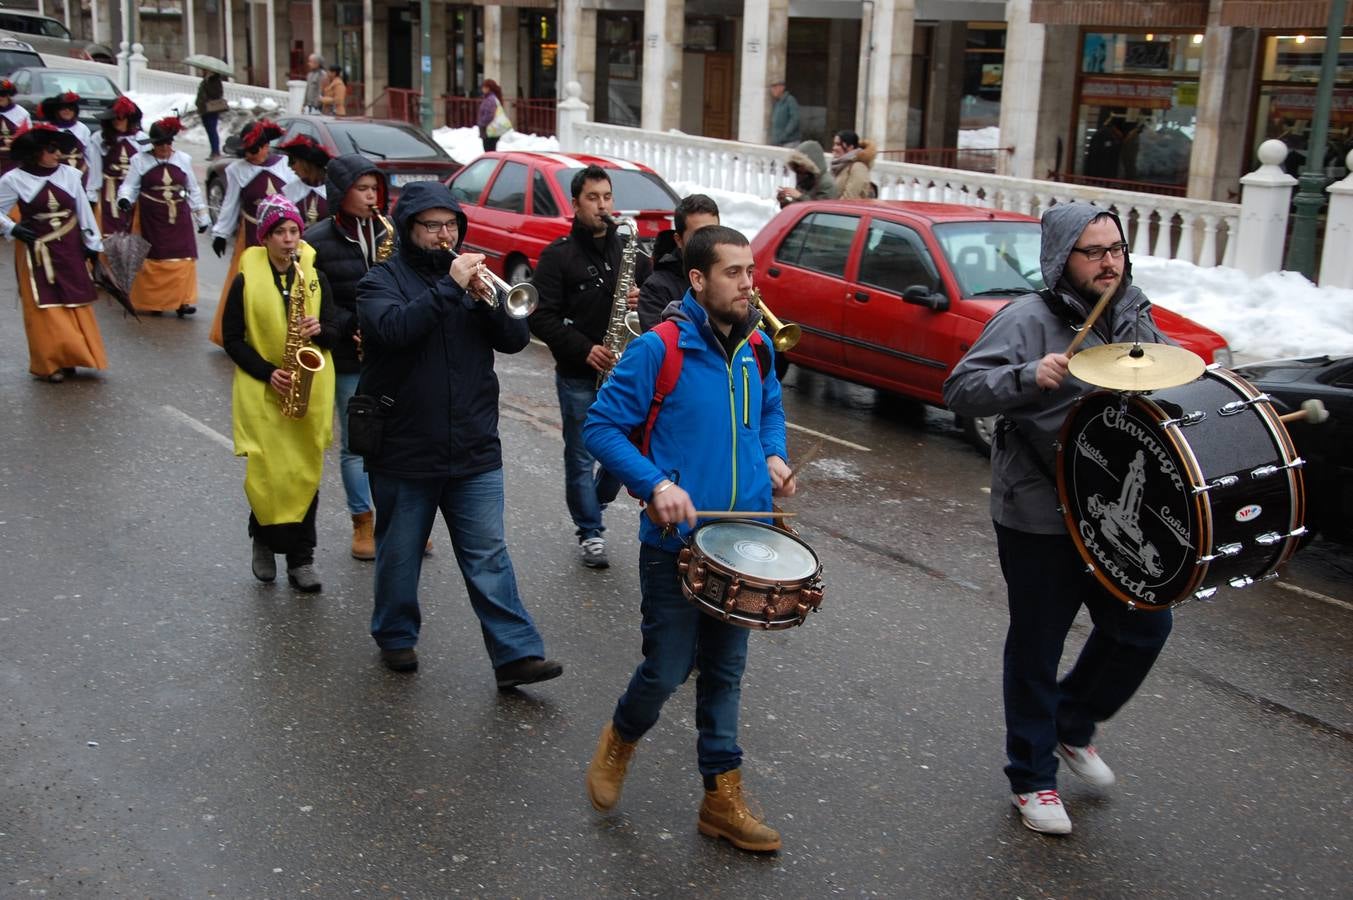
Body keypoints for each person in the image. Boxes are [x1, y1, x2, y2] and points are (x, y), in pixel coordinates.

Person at [942, 202, 1176, 836]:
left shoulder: (1134, 313)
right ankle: (1033, 776)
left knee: (1144, 627)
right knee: (1038, 644)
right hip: (1038, 508)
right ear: (1061, 259)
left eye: (1115, 250)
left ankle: (1071, 725)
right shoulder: (1027, 320)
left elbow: (1166, 382)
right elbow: (961, 389)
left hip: (1113, 511)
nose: (1109, 262)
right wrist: (1026, 375)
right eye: (1093, 252)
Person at [582, 224, 794, 853]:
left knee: (726, 674)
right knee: (670, 667)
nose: (748, 285)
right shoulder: (659, 348)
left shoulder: (758, 346)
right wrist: (654, 485)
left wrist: (774, 457)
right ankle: (621, 737)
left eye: (752, 272)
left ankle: (720, 800)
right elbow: (602, 428)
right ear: (699, 281)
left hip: (746, 540)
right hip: (678, 544)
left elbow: (772, 413)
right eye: (734, 273)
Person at [355, 180, 563, 687]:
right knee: (401, 553)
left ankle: (515, 653)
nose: (444, 235)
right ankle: (396, 635)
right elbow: (393, 331)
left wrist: (489, 300)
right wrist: (449, 287)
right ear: (409, 229)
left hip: (473, 446)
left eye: (451, 225)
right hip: (405, 448)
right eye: (432, 226)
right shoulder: (379, 281)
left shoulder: (474, 285)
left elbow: (514, 341)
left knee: (488, 554)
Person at [528, 165, 650, 569]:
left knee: (627, 448)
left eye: (607, 197)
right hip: (581, 372)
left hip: (622, 372)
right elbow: (540, 317)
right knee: (580, 456)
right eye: (593, 198)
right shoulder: (557, 256)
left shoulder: (628, 249)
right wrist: (584, 350)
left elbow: (653, 304)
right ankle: (590, 531)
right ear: (575, 204)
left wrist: (639, 300)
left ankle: (594, 499)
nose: (602, 206)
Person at [222, 194, 338, 593]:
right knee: (268, 475)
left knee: (305, 473)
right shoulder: (245, 280)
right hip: (263, 389)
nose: (290, 241)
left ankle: (302, 560)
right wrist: (269, 372)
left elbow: (338, 329)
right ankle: (264, 541)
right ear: (265, 238)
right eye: (280, 233)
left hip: (310, 390)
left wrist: (321, 329)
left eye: (294, 232)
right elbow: (232, 339)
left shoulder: (314, 277)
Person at [303, 153, 391, 560]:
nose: (372, 197)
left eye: (376, 189)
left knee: (397, 439)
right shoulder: (316, 240)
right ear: (341, 193)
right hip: (347, 354)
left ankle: (397, 519)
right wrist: (348, 323)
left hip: (393, 352)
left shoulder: (392, 234)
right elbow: (314, 300)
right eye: (363, 189)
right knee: (358, 442)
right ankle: (363, 522)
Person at [0, 123, 107, 382]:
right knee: (45, 305)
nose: (57, 154)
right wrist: (12, 228)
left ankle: (73, 356)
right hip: (36, 252)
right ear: (35, 152)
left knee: (74, 299)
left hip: (69, 247)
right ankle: (51, 363)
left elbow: (83, 209)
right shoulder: (13, 179)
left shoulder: (69, 174)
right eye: (51, 149)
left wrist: (93, 246)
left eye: (58, 149)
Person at [208, 119, 295, 346]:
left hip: (284, 235)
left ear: (266, 146)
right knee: (248, 282)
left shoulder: (285, 166)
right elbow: (230, 203)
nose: (250, 155)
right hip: (252, 234)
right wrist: (221, 233)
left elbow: (298, 198)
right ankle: (241, 331)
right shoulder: (237, 171)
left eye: (254, 149)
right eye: (246, 151)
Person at [117, 116, 211, 317]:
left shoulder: (183, 160)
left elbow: (192, 189)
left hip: (179, 216)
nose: (165, 147)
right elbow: (129, 185)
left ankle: (182, 301)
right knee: (154, 259)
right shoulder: (140, 161)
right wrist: (125, 199)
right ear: (153, 144)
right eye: (160, 143)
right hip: (152, 216)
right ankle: (155, 301)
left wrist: (202, 217)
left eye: (169, 142)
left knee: (183, 258)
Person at [636, 193, 718, 333]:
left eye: (714, 232)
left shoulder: (731, 276)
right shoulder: (655, 288)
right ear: (679, 240)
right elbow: (664, 346)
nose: (708, 242)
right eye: (699, 235)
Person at [36, 92, 100, 205]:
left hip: (81, 174)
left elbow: (90, 156)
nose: (67, 111)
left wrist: (91, 186)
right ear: (56, 110)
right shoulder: (49, 129)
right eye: (63, 108)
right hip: (57, 174)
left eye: (71, 108)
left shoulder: (82, 128)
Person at [97, 96, 147, 236]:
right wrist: (92, 198)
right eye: (113, 118)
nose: (116, 121)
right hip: (108, 191)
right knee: (109, 229)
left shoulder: (142, 138)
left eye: (120, 118)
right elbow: (94, 170)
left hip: (135, 190)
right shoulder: (99, 139)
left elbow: (148, 167)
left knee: (134, 230)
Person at [279, 134, 331, 229]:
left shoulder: (334, 188)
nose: (290, 166)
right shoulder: (289, 190)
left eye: (292, 161)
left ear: (306, 162)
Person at [775, 140, 838, 207]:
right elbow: (798, 207)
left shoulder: (826, 183)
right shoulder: (804, 179)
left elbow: (821, 208)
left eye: (800, 165)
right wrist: (784, 201)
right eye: (796, 165)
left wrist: (799, 196)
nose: (798, 169)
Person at [829, 130, 877, 200]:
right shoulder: (839, 166)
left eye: (838, 144)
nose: (834, 148)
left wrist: (830, 208)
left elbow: (849, 199)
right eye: (834, 144)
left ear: (850, 147)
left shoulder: (858, 167)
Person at [0, 79, 33, 176]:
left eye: (2, 94)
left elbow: (29, 138)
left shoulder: (21, 113)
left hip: (14, 159)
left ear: (8, 95)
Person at [194, 71, 225, 160]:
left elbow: (217, 94)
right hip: (204, 110)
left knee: (212, 131)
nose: (204, 70)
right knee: (209, 131)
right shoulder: (206, 80)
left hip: (211, 109)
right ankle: (213, 151)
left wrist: (206, 84)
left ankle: (216, 152)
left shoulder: (215, 81)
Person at [477, 78, 508, 153]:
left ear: (488, 88)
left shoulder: (490, 99)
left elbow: (489, 115)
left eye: (483, 87)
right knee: (491, 151)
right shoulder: (493, 98)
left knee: (489, 153)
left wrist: (481, 123)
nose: (482, 89)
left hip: (489, 131)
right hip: (493, 131)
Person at [769, 80, 800, 148]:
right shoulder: (777, 103)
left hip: (790, 142)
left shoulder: (790, 100)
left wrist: (784, 134)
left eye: (775, 87)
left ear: (782, 88)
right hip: (779, 143)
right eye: (772, 88)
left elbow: (795, 119)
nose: (772, 90)